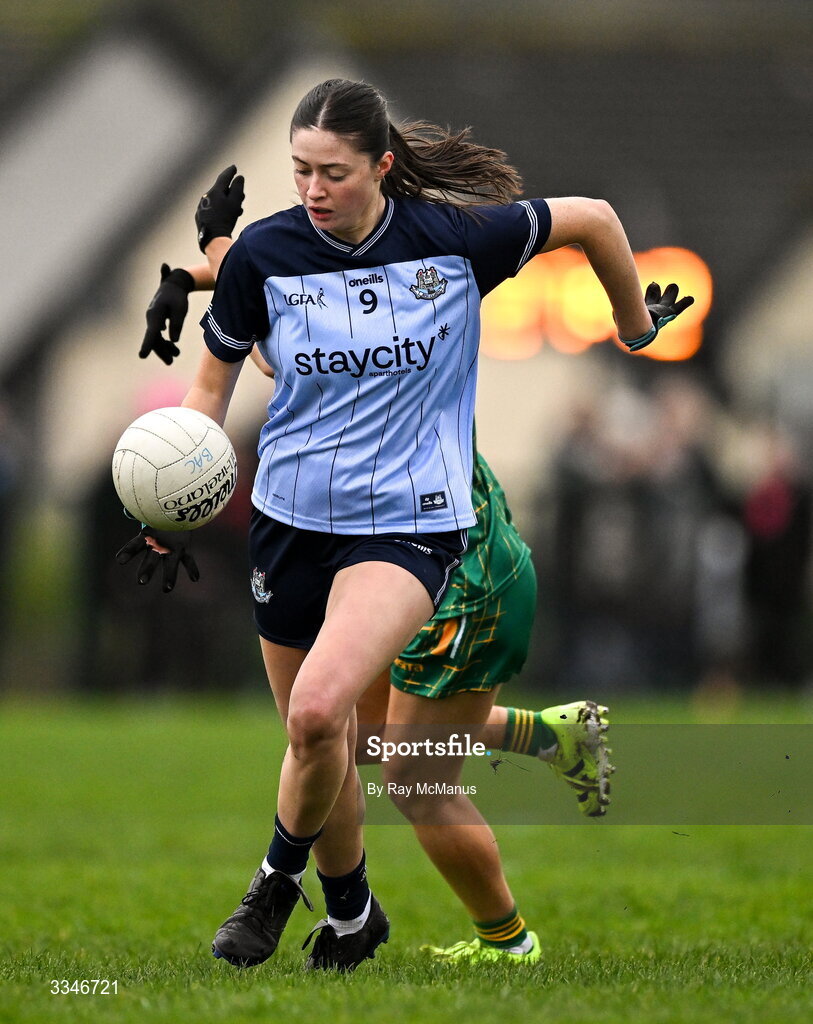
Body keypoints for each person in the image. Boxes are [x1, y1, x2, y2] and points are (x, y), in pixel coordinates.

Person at [119, 77, 692, 970]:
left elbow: (591, 216)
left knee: (329, 720)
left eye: (333, 173)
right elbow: (219, 377)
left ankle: (277, 884)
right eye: (299, 170)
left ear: (382, 166)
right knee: (335, 743)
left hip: (410, 529)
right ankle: (351, 917)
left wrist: (631, 329)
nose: (311, 190)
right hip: (289, 523)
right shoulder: (266, 255)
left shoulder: (454, 240)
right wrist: (170, 503)